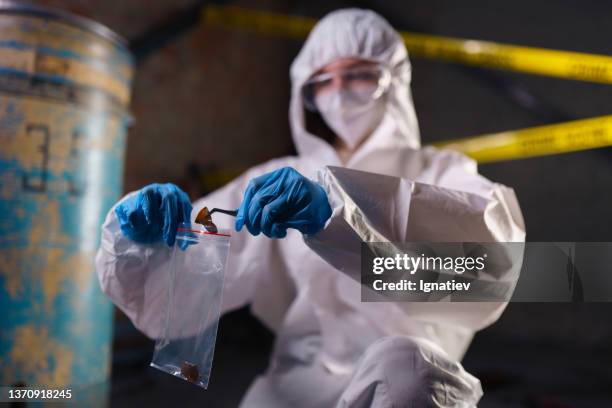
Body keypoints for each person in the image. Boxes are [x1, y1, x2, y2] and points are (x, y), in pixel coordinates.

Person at [96, 8, 525, 407]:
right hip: (295, 382)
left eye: (358, 75)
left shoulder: (441, 174)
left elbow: (486, 277)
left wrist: (336, 222)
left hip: (402, 387)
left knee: (407, 370)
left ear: (393, 81)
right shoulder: (283, 177)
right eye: (323, 80)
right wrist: (139, 238)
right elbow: (173, 296)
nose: (338, 92)